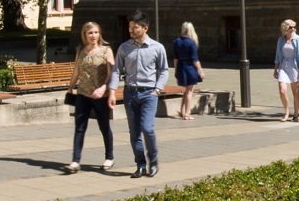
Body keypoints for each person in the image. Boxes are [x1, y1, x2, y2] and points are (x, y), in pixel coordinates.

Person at [111, 10, 169, 179]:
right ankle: (140, 165)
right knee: (134, 132)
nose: (131, 30)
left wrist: (157, 89)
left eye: (135, 27)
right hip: (130, 93)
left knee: (147, 128)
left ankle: (154, 160)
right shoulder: (124, 48)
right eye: (130, 27)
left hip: (149, 94)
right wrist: (113, 92)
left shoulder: (157, 48)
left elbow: (164, 70)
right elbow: (116, 71)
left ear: (145, 28)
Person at [65, 22, 116, 173]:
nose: (93, 36)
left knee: (104, 127)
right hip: (83, 94)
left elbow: (112, 74)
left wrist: (103, 88)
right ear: (84, 35)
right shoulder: (80, 50)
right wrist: (70, 88)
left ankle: (109, 157)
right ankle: (75, 161)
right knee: (79, 128)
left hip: (100, 95)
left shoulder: (106, 50)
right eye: (90, 33)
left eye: (96, 32)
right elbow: (76, 71)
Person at [274, 19, 299, 121]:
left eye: (293, 27)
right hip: (283, 65)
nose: (293, 29)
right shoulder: (280, 40)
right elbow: (278, 56)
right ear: (285, 29)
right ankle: (286, 112)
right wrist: (275, 69)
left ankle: (295, 114)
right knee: (282, 90)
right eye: (290, 27)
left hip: (294, 66)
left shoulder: (298, 39)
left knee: (295, 92)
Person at [171, 22, 204, 121]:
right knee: (190, 91)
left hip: (181, 66)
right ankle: (187, 113)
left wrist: (176, 70)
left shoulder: (176, 41)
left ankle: (181, 109)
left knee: (186, 90)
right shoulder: (191, 42)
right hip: (190, 67)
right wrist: (200, 70)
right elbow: (195, 59)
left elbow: (175, 58)